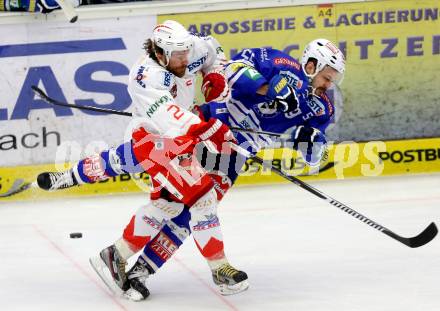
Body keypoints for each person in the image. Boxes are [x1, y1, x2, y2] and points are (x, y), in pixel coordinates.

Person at [38, 36, 345, 300]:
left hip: (234, 155)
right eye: (327, 77)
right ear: (311, 65)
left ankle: (141, 272)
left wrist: (309, 143)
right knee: (142, 155)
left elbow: (311, 157)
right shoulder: (278, 62)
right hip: (210, 123)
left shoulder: (323, 107)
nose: (328, 85)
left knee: (186, 213)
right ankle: (71, 176)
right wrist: (268, 88)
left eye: (332, 81)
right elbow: (231, 72)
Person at [37, 20, 248, 300]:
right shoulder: (144, 75)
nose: (185, 60)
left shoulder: (189, 48)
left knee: (166, 207)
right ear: (160, 53)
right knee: (203, 197)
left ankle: (116, 255)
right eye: (177, 56)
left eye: (186, 53)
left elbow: (213, 50)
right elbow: (167, 112)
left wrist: (215, 75)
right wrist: (204, 127)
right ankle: (219, 268)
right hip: (156, 137)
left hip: (181, 140)